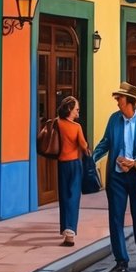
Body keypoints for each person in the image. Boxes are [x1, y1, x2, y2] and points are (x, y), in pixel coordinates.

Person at [92, 82, 136, 272]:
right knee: (115, 218)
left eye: (120, 99)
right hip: (117, 177)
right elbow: (106, 142)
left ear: (130, 102)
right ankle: (121, 261)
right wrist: (92, 158)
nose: (117, 102)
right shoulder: (114, 120)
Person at [54, 95, 92, 247]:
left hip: (61, 163)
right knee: (73, 196)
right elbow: (83, 145)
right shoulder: (76, 127)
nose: (78, 112)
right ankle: (70, 231)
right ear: (69, 109)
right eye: (76, 109)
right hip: (74, 164)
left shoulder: (57, 123)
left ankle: (64, 228)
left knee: (63, 196)